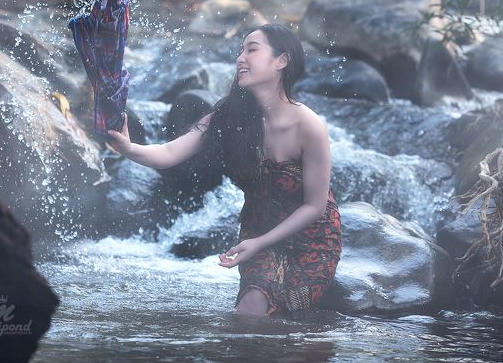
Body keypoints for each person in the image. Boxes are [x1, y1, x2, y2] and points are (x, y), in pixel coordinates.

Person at [105, 23, 342, 316]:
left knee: (291, 314)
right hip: (258, 232)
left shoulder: (309, 126)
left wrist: (259, 243)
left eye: (252, 50)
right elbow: (169, 152)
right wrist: (128, 148)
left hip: (311, 238)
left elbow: (315, 206)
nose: (241, 58)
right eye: (240, 51)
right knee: (251, 309)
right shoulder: (229, 114)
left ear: (281, 61)